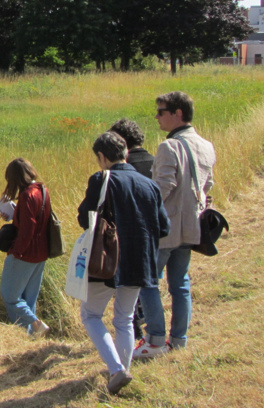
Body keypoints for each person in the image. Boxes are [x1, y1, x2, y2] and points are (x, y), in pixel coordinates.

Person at [78, 132, 170, 394]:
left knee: (91, 314)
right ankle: (122, 370)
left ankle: (117, 370)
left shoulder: (100, 180)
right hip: (139, 262)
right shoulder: (149, 184)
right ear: (126, 153)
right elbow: (164, 226)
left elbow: (85, 219)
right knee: (125, 319)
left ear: (102, 157)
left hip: (107, 261)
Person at [135, 92, 216, 359]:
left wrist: (143, 214)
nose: (157, 117)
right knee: (180, 284)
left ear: (178, 113)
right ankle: (179, 339)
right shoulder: (206, 145)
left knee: (147, 282)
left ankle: (156, 340)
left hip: (164, 230)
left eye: (161, 111)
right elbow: (208, 186)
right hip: (191, 228)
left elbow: (162, 187)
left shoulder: (169, 147)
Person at [109, 118, 155, 339]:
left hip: (128, 236)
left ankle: (136, 335)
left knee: (130, 293)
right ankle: (151, 325)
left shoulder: (121, 170)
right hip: (154, 234)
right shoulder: (155, 161)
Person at [0, 158, 52, 338]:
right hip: (41, 252)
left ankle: (36, 324)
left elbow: (27, 230)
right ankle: (30, 336)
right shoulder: (42, 190)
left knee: (10, 296)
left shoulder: (27, 195)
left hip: (25, 253)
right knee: (29, 298)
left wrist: (16, 252)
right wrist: (14, 215)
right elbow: (36, 221)